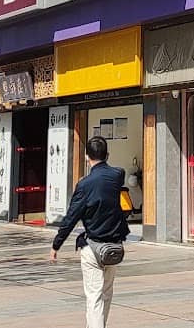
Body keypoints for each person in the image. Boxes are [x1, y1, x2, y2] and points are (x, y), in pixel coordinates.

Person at [50, 136, 130, 328]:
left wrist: (56, 244)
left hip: (92, 246)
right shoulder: (117, 175)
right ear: (107, 155)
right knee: (106, 293)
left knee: (94, 296)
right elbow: (118, 172)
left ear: (87, 157)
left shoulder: (84, 185)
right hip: (114, 247)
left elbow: (71, 218)